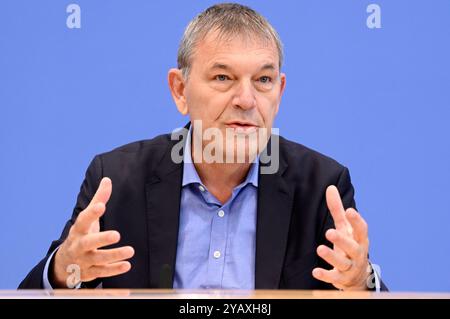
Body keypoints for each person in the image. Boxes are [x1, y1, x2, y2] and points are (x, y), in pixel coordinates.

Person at [19, 3, 386, 291]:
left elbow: (367, 286)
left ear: (280, 91)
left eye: (263, 80)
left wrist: (360, 282)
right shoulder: (116, 180)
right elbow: (34, 290)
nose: (246, 99)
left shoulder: (323, 186)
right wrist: (65, 269)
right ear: (180, 90)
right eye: (223, 77)